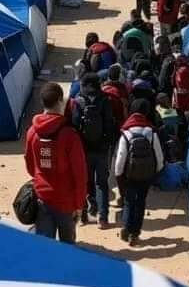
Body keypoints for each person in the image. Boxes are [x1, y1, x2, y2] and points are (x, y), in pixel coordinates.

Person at [24, 82, 87, 241]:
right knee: (67, 245)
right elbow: (80, 173)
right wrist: (79, 204)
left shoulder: (32, 132)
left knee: (45, 246)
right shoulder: (70, 135)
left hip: (42, 196)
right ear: (60, 100)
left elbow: (30, 166)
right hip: (66, 201)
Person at [115, 98, 164, 245]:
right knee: (140, 202)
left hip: (129, 175)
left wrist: (119, 174)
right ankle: (134, 234)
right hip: (146, 175)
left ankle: (125, 226)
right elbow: (159, 155)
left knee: (128, 201)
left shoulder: (126, 132)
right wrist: (157, 170)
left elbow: (121, 157)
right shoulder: (150, 132)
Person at [70, 73, 115, 229]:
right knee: (102, 183)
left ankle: (84, 216)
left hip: (84, 149)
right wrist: (108, 143)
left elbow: (75, 126)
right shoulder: (105, 100)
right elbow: (109, 124)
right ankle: (103, 218)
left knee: (84, 181)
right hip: (102, 149)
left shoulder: (78, 101)